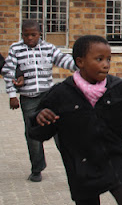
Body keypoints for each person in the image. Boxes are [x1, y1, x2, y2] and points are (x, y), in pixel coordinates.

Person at [29, 35, 122, 205]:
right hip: (82, 168)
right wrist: (39, 118)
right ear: (80, 62)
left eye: (108, 59)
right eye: (99, 59)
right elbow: (39, 133)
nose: (106, 64)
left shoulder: (118, 88)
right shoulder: (60, 94)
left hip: (116, 162)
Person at [1, 19, 76, 182]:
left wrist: (81, 66)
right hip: (28, 98)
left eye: (33, 35)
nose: (29, 38)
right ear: (21, 34)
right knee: (33, 134)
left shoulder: (48, 48)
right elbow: (8, 72)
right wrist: (12, 95)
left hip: (49, 96)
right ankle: (37, 168)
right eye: (26, 35)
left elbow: (63, 60)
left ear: (40, 34)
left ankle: (73, 165)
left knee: (60, 130)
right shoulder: (16, 49)